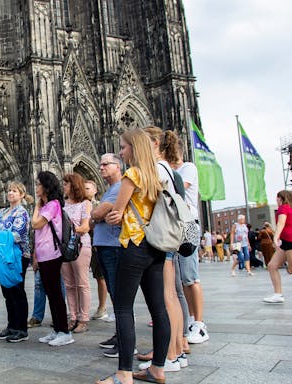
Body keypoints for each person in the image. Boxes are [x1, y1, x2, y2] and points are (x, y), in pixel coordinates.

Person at [98, 128, 169, 384]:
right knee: (158, 308)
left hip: (135, 244)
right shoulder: (157, 175)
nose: (121, 152)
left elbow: (115, 215)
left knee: (124, 308)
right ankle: (158, 368)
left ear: (134, 149)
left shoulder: (133, 175)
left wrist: (112, 214)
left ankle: (124, 374)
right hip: (157, 246)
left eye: (124, 147)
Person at [140, 126, 186, 372]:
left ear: (155, 143)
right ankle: (177, 351)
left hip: (161, 235)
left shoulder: (157, 169)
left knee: (167, 297)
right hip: (171, 235)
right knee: (173, 297)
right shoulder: (169, 168)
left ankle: (168, 356)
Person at [32, 171, 75, 347]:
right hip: (43, 254)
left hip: (52, 254)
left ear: (46, 186)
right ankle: (57, 329)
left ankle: (64, 332)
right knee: (50, 292)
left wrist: (36, 206)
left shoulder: (53, 205)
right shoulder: (47, 206)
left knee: (55, 293)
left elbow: (36, 224)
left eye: (38, 184)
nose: (36, 187)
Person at [171, 144, 208, 346]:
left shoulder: (188, 168)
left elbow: (178, 188)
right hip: (177, 225)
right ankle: (192, 318)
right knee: (183, 278)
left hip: (189, 224)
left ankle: (200, 325)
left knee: (191, 277)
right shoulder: (175, 170)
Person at [92, 153, 123, 358]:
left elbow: (95, 215)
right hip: (105, 247)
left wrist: (96, 215)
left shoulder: (119, 188)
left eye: (105, 164)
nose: (101, 167)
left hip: (113, 247)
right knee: (114, 292)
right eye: (100, 164)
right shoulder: (110, 190)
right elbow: (98, 215)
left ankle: (125, 340)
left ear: (118, 166)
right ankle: (120, 334)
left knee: (118, 294)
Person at [0, 181, 32, 342]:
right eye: (9, 190)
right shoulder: (2, 212)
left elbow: (17, 235)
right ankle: (11, 326)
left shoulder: (22, 213)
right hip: (2, 256)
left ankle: (22, 329)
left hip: (17, 256)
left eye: (14, 191)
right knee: (7, 293)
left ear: (21, 194)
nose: (10, 193)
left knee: (17, 292)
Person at [61, 173, 92, 334]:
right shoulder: (63, 205)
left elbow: (85, 227)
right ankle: (73, 317)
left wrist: (68, 230)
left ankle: (83, 318)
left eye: (66, 184)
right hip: (65, 248)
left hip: (80, 246)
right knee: (69, 285)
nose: (63, 187)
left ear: (73, 185)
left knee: (82, 284)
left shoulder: (85, 204)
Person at [263, 190, 292, 303]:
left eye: (277, 197)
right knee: (272, 266)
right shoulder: (290, 209)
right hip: (286, 242)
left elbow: (281, 223)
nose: (276, 199)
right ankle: (278, 295)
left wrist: (275, 238)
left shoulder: (283, 208)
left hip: (291, 241)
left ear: (281, 198)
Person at [86, 179, 109, 321]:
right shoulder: (81, 206)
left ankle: (102, 307)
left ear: (95, 190)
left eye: (88, 188)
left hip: (96, 245)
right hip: (83, 246)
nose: (85, 191)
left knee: (101, 277)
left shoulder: (98, 205)